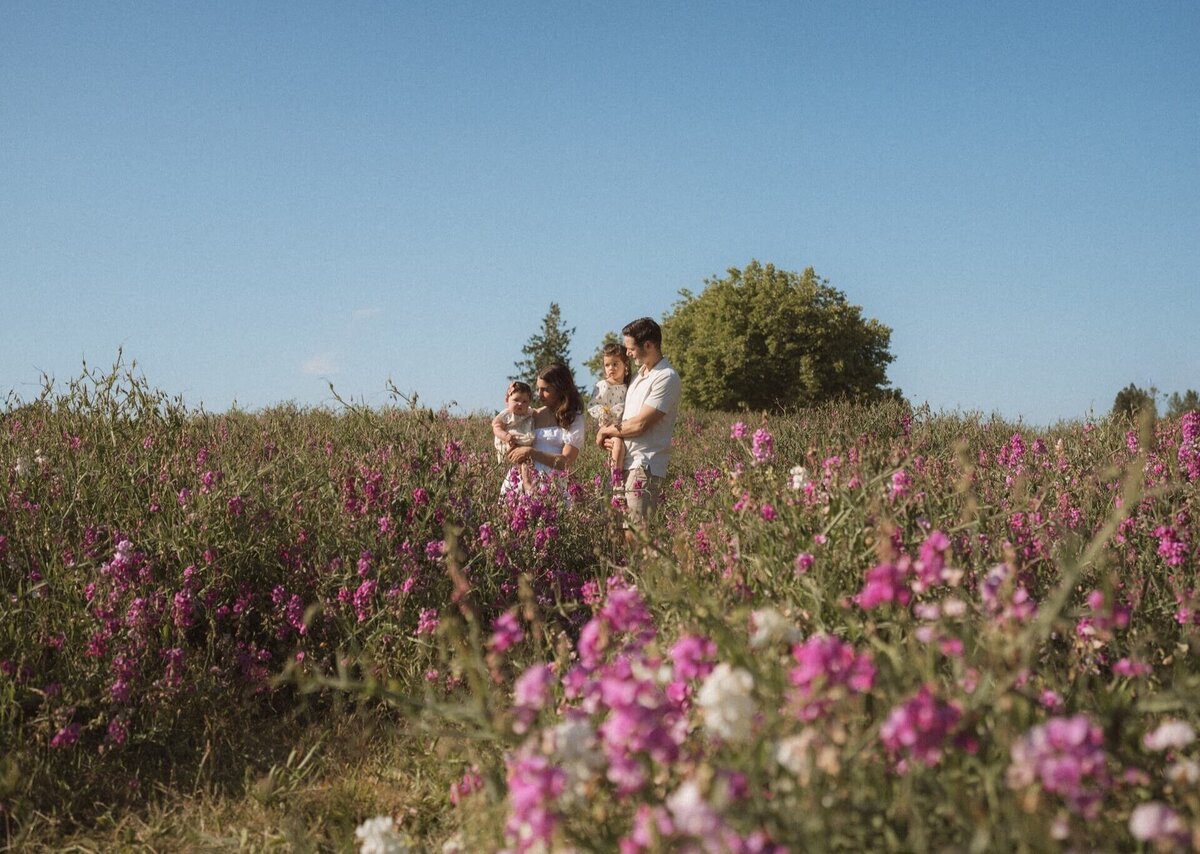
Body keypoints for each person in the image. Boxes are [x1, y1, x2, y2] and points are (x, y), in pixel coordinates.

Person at [595, 317, 681, 538]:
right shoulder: (637, 377)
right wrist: (608, 435)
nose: (628, 354)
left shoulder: (666, 377)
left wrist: (607, 431)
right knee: (615, 534)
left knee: (635, 535)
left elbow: (640, 424)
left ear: (649, 345)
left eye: (632, 349)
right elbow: (624, 419)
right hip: (623, 464)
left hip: (644, 466)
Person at [504, 363, 586, 495]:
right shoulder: (534, 414)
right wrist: (511, 397)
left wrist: (531, 452)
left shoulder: (573, 418)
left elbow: (566, 462)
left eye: (545, 390)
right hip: (522, 482)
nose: (539, 394)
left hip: (552, 485)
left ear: (560, 389)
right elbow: (504, 423)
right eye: (538, 389)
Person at [587, 342, 631, 473]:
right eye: (607, 365)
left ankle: (619, 476)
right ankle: (615, 480)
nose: (611, 368)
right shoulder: (603, 385)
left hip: (625, 426)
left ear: (626, 366)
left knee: (623, 450)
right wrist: (603, 412)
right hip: (610, 425)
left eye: (615, 364)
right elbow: (593, 404)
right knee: (617, 445)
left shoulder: (628, 386)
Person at [492, 380, 536, 493]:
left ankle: (525, 481)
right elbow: (496, 426)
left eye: (525, 401)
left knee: (527, 462)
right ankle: (526, 482)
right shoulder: (507, 414)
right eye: (516, 400)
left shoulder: (529, 413)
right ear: (507, 400)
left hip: (524, 443)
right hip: (511, 443)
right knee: (522, 462)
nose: (520, 404)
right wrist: (506, 436)